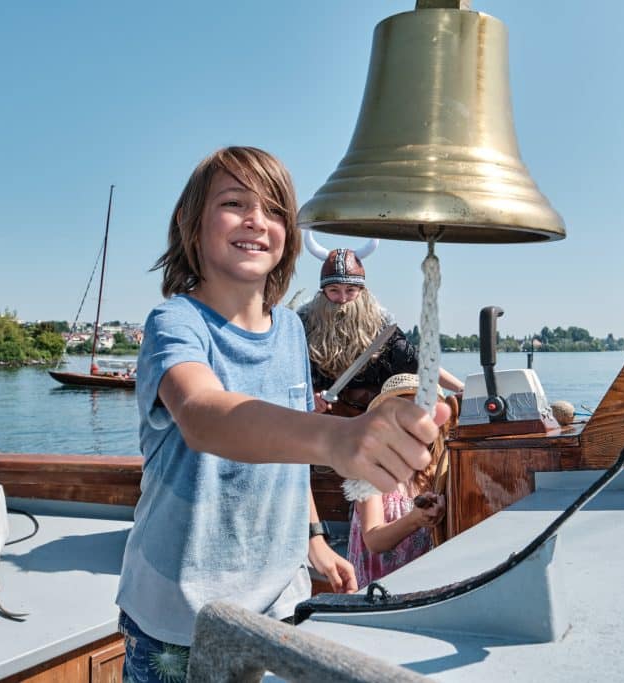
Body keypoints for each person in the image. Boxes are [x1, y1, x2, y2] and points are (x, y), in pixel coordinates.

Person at [115, 146, 450, 682]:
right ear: (189, 223)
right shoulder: (174, 323)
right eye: (234, 203)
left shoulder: (292, 331)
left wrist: (314, 538)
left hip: (277, 607)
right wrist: (338, 438)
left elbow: (289, 458)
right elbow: (202, 414)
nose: (256, 220)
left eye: (273, 210)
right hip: (179, 619)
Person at [297, 234, 465, 416]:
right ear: (323, 292)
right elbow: (289, 375)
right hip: (321, 422)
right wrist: (309, 396)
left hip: (371, 420)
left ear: (362, 292)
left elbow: (419, 363)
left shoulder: (382, 329)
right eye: (334, 290)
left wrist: (461, 387)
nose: (343, 299)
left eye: (350, 290)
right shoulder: (303, 327)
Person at [345, 373, 457, 587]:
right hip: (377, 592)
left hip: (422, 587)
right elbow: (374, 540)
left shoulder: (439, 472)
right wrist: (415, 519)